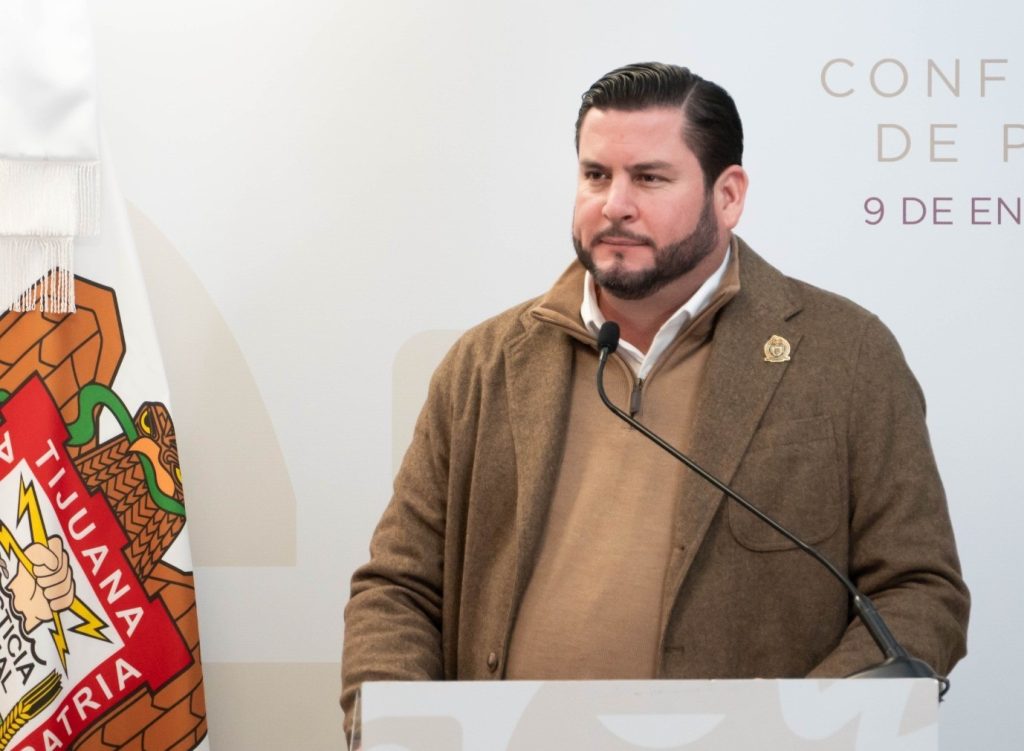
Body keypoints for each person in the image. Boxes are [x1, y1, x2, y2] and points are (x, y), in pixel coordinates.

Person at [340, 62, 969, 732]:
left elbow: (917, 591)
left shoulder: (847, 354)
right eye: (595, 175)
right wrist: (399, 732)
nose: (614, 204)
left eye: (648, 178)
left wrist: (796, 732)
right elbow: (398, 588)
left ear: (728, 195)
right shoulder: (484, 363)